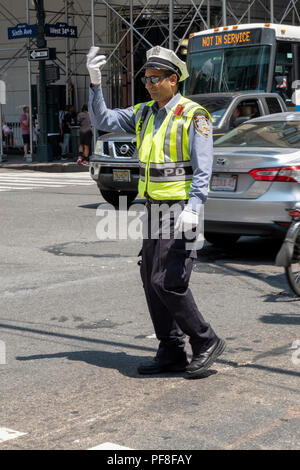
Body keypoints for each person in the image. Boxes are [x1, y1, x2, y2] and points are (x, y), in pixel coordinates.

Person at [87, 45, 225, 378]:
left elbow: (203, 168)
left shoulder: (194, 115)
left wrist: (195, 207)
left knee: (168, 280)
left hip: (180, 210)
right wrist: (94, 85)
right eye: (146, 78)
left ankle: (205, 341)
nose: (148, 84)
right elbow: (104, 120)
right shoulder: (145, 112)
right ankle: (171, 350)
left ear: (173, 80)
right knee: (150, 281)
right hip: (152, 207)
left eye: (155, 78)